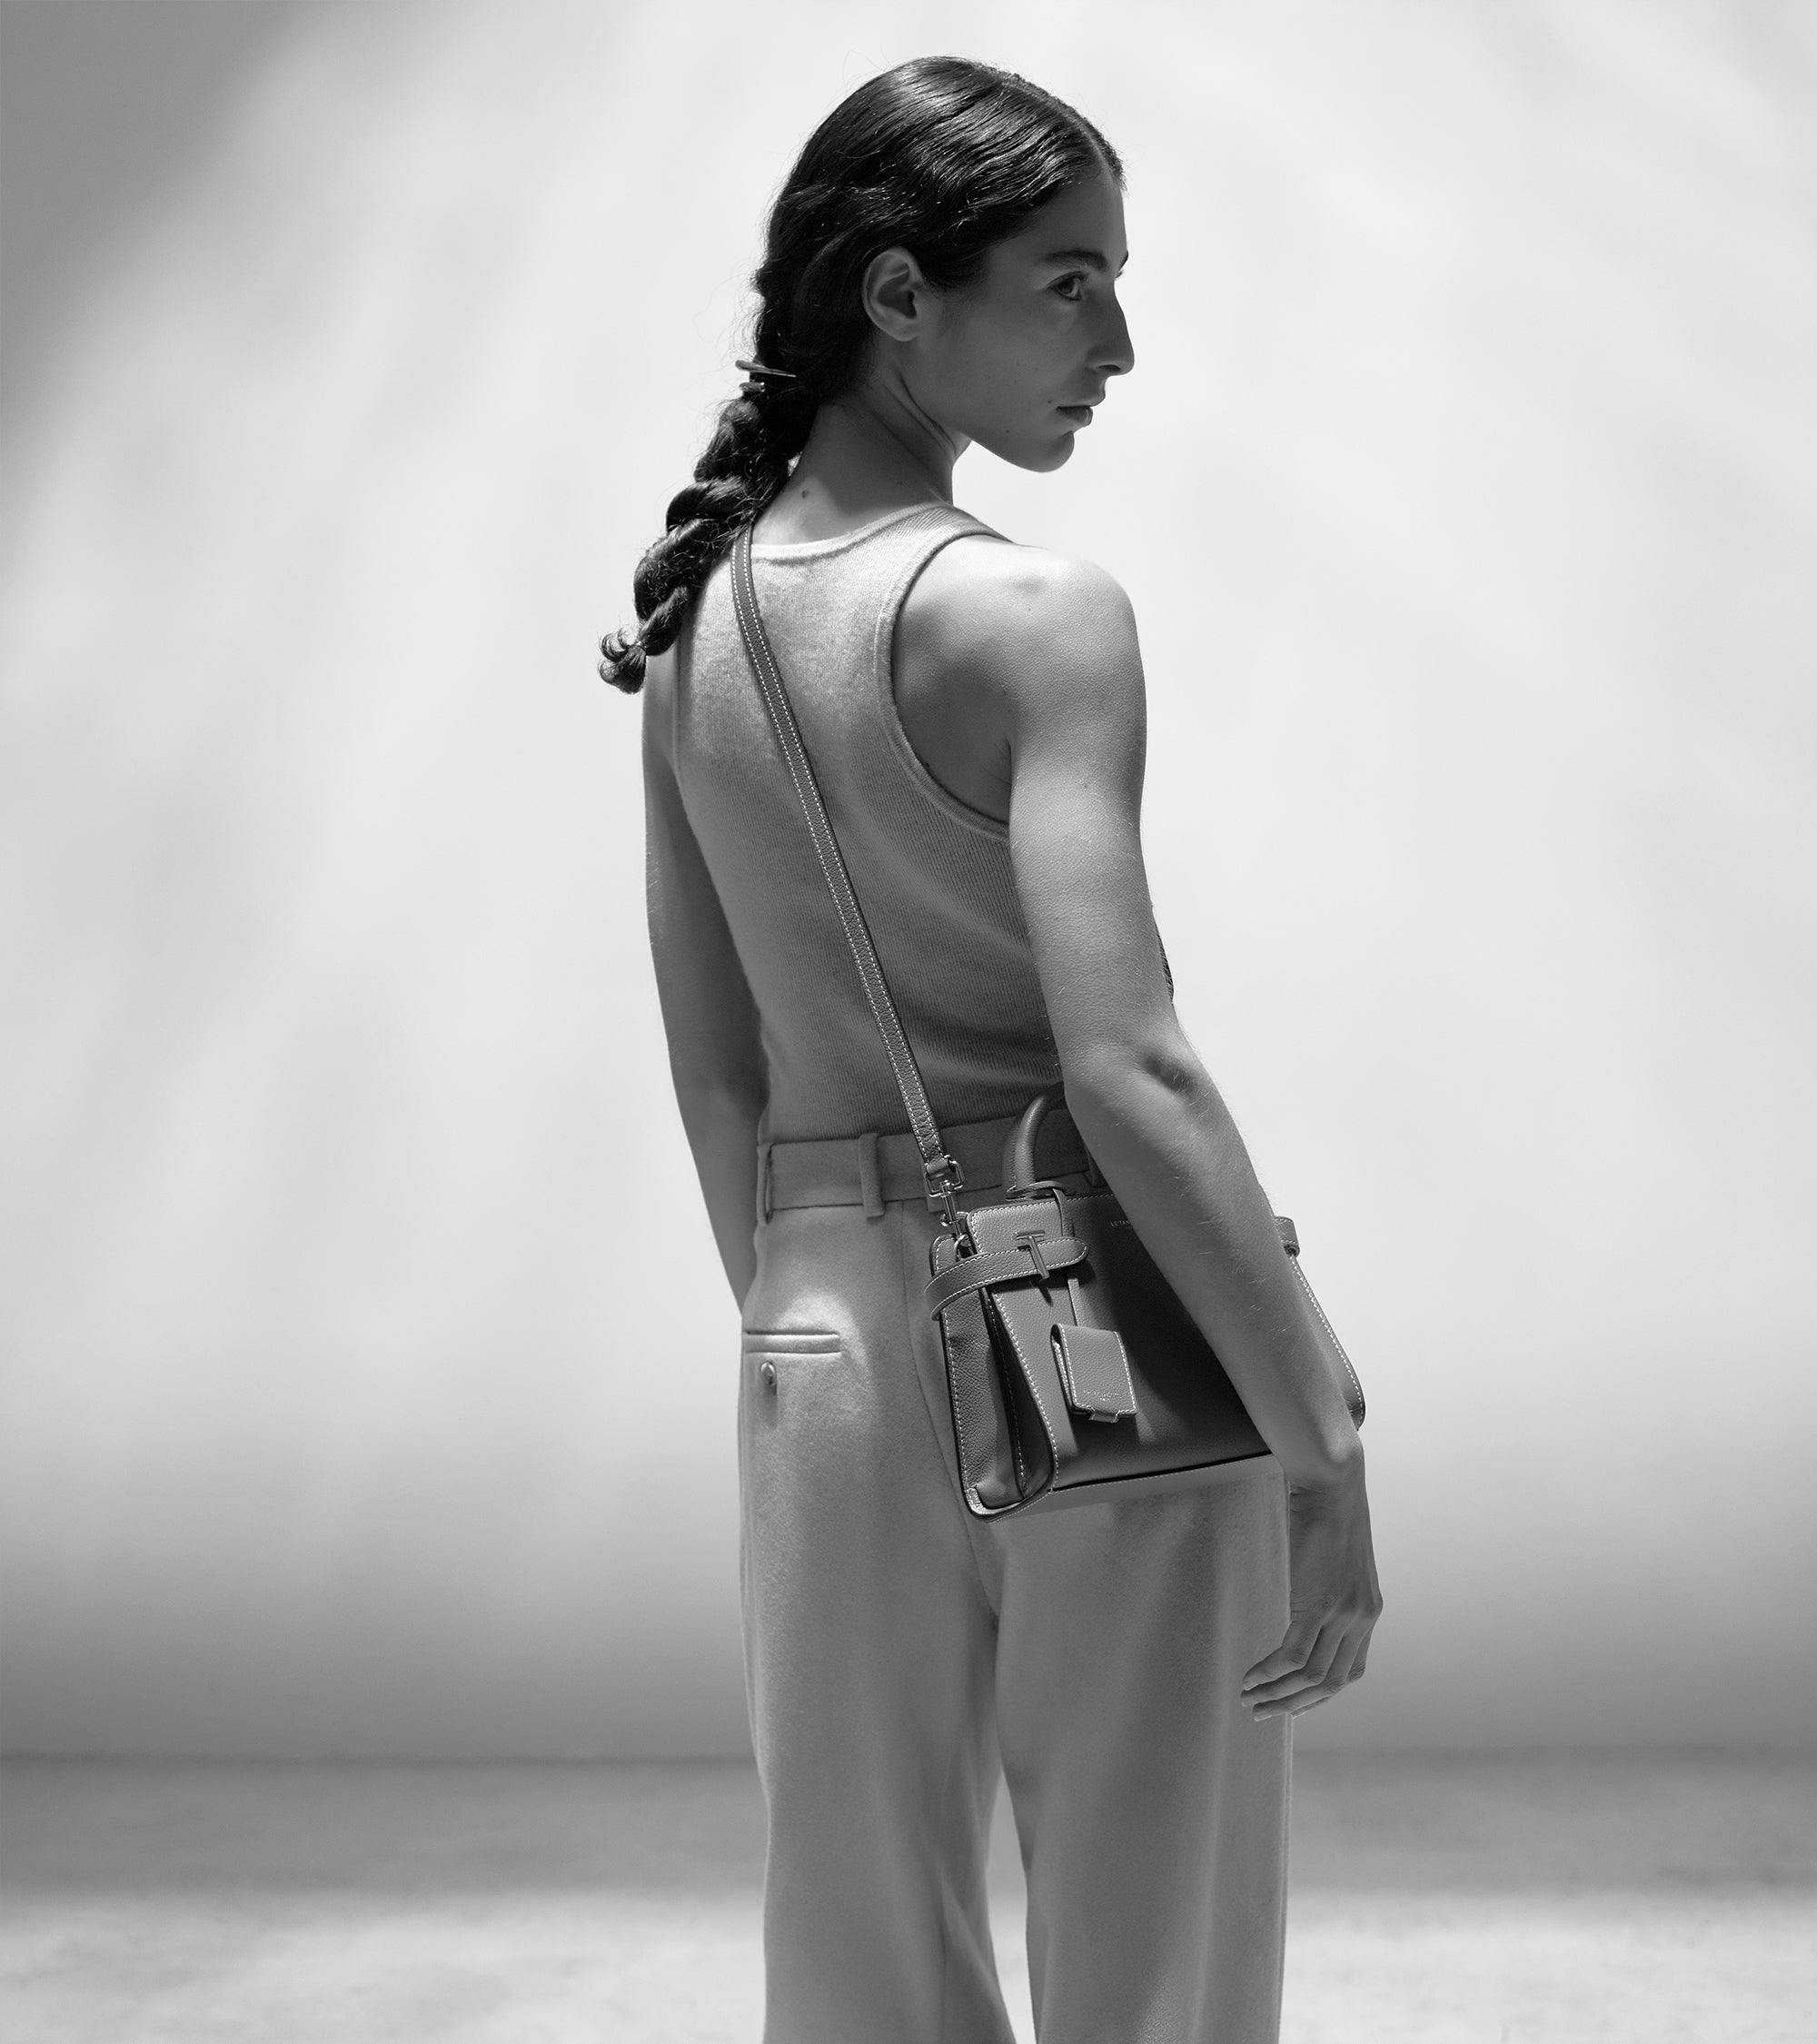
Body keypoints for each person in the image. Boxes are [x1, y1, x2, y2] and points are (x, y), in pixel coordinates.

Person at [599, 55, 1381, 2044]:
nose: (1117, 343)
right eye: (1069, 281)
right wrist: (1320, 1431)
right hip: (1075, 1305)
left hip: (813, 1331)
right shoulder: (1035, 618)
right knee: (1152, 1901)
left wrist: (835, 1311)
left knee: (853, 1915)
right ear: (896, 294)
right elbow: (1133, 1070)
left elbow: (716, 1074)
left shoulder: (690, 635)